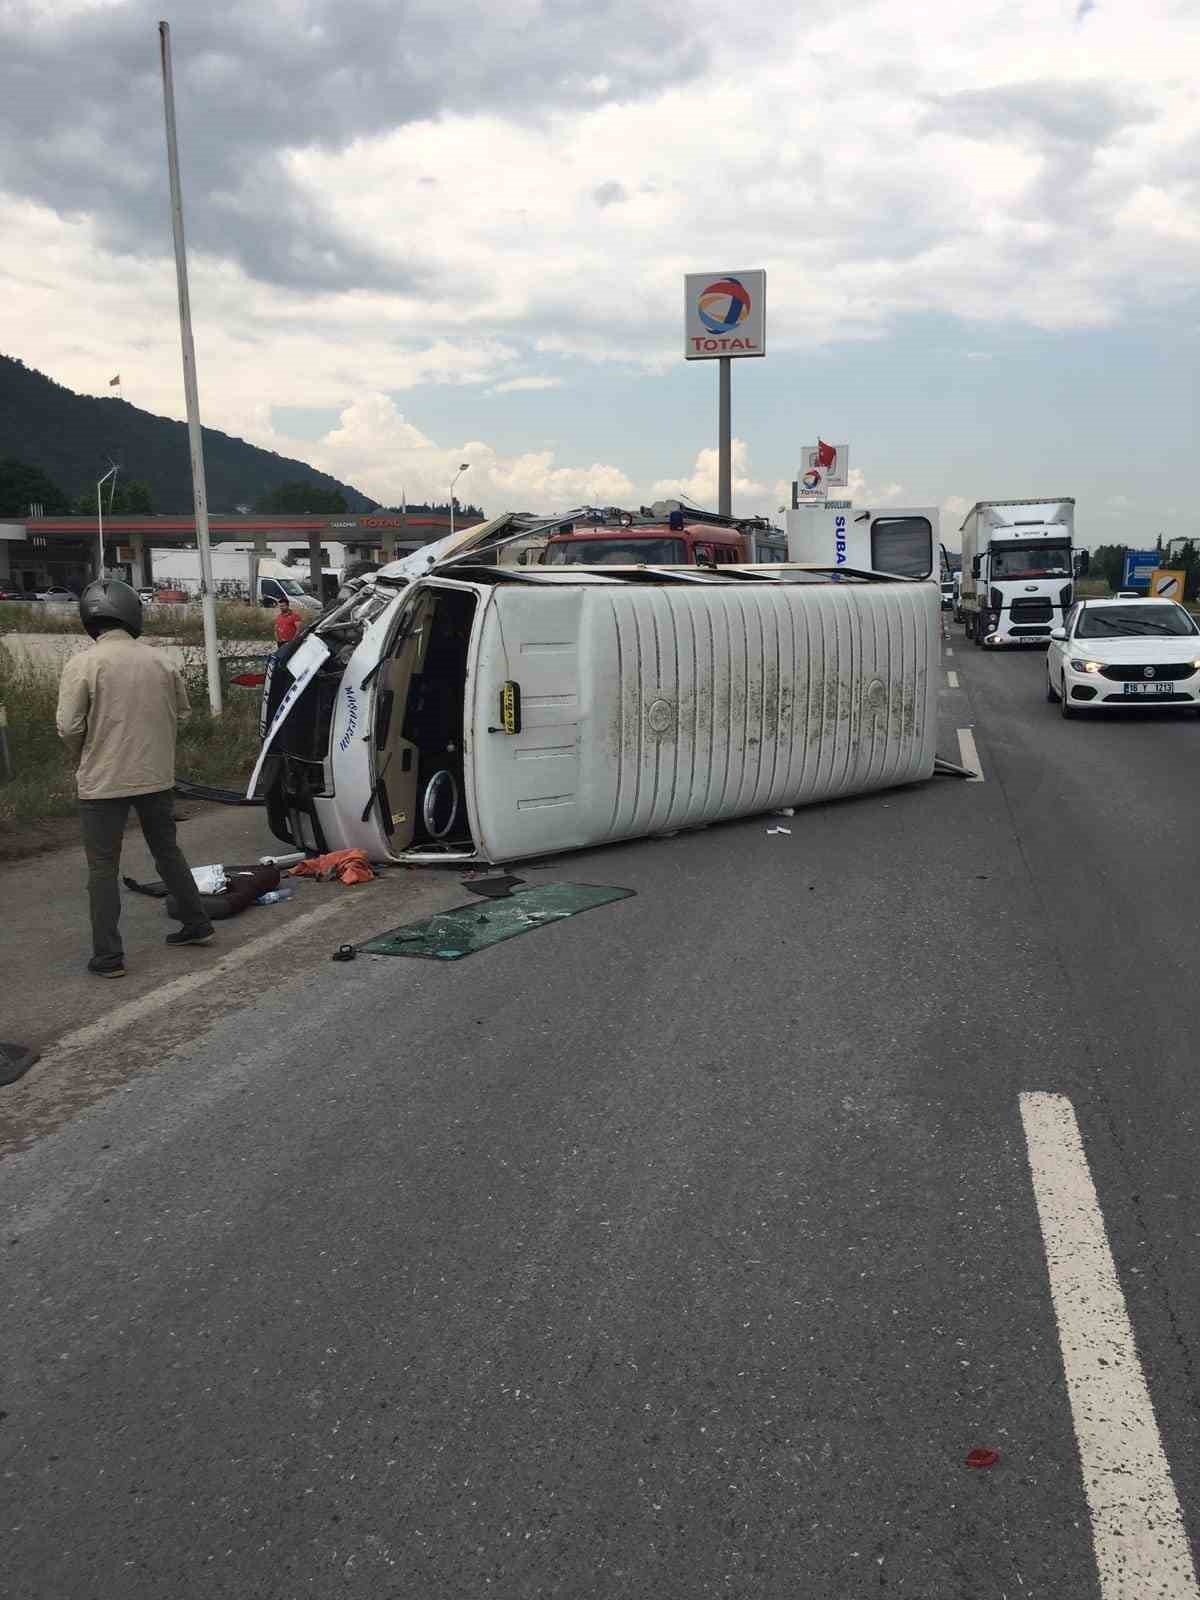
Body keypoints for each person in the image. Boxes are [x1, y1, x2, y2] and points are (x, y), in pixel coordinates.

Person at [55, 578, 215, 978]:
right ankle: (196, 924)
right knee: (167, 852)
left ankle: (109, 958)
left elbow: (69, 727)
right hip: (156, 778)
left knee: (103, 867)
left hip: (102, 782)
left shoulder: (83, 663)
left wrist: (83, 757)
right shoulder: (161, 661)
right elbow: (183, 714)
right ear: (131, 614)